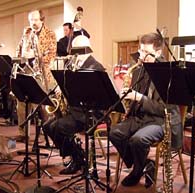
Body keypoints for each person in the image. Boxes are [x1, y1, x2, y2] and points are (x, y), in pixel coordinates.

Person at [109, 33, 182, 187]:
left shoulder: (169, 73)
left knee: (138, 139)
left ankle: (137, 171)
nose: (141, 56)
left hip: (161, 121)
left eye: (146, 52)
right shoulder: (139, 69)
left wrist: (139, 98)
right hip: (140, 117)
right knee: (115, 133)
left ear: (158, 53)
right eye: (140, 50)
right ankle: (143, 164)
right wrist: (126, 100)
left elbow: (164, 109)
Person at [42, 35, 105, 175]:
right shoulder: (76, 65)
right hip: (76, 110)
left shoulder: (95, 67)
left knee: (58, 127)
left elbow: (97, 97)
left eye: (76, 51)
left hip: (90, 113)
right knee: (47, 126)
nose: (73, 55)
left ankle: (77, 158)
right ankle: (75, 154)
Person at [14, 9, 57, 141]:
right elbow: (18, 49)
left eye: (35, 20)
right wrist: (19, 59)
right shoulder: (26, 33)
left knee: (41, 106)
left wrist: (35, 56)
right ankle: (23, 133)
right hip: (27, 73)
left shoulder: (50, 34)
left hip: (43, 75)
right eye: (31, 20)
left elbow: (51, 55)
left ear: (42, 20)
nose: (33, 23)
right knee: (21, 102)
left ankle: (48, 131)